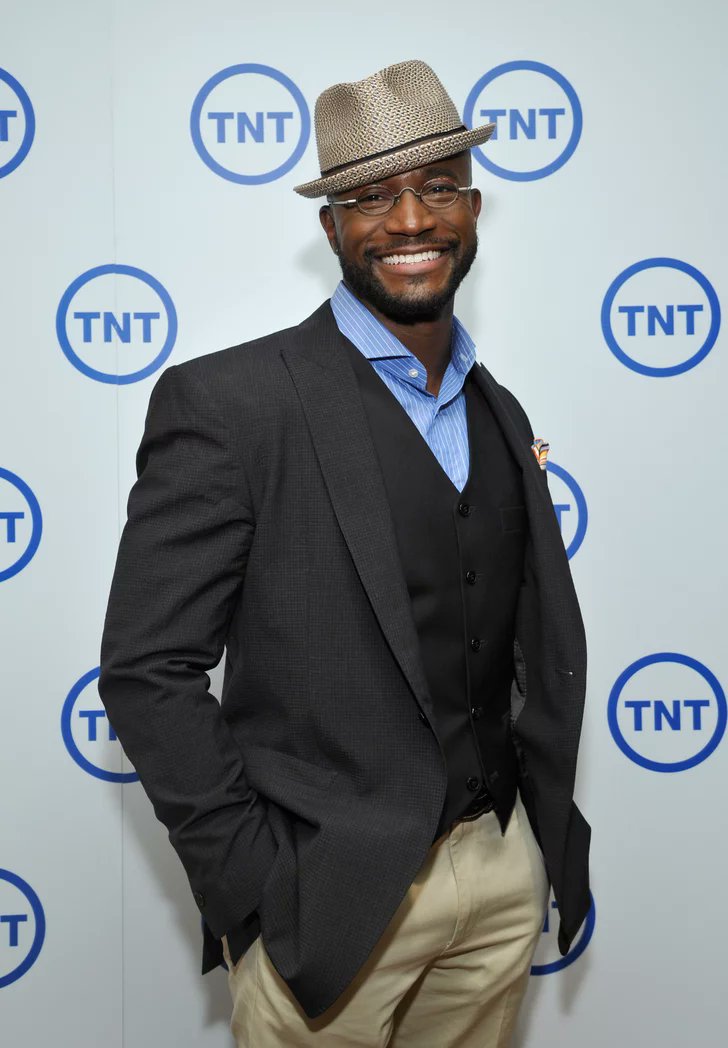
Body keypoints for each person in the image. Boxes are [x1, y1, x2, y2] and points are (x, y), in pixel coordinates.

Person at [98, 59, 591, 1047]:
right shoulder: (231, 405)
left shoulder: (500, 412)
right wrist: (254, 889)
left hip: (496, 882)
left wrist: (527, 854)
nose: (408, 220)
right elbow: (147, 670)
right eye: (370, 197)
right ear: (331, 228)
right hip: (324, 900)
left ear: (473, 207)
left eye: (435, 188)